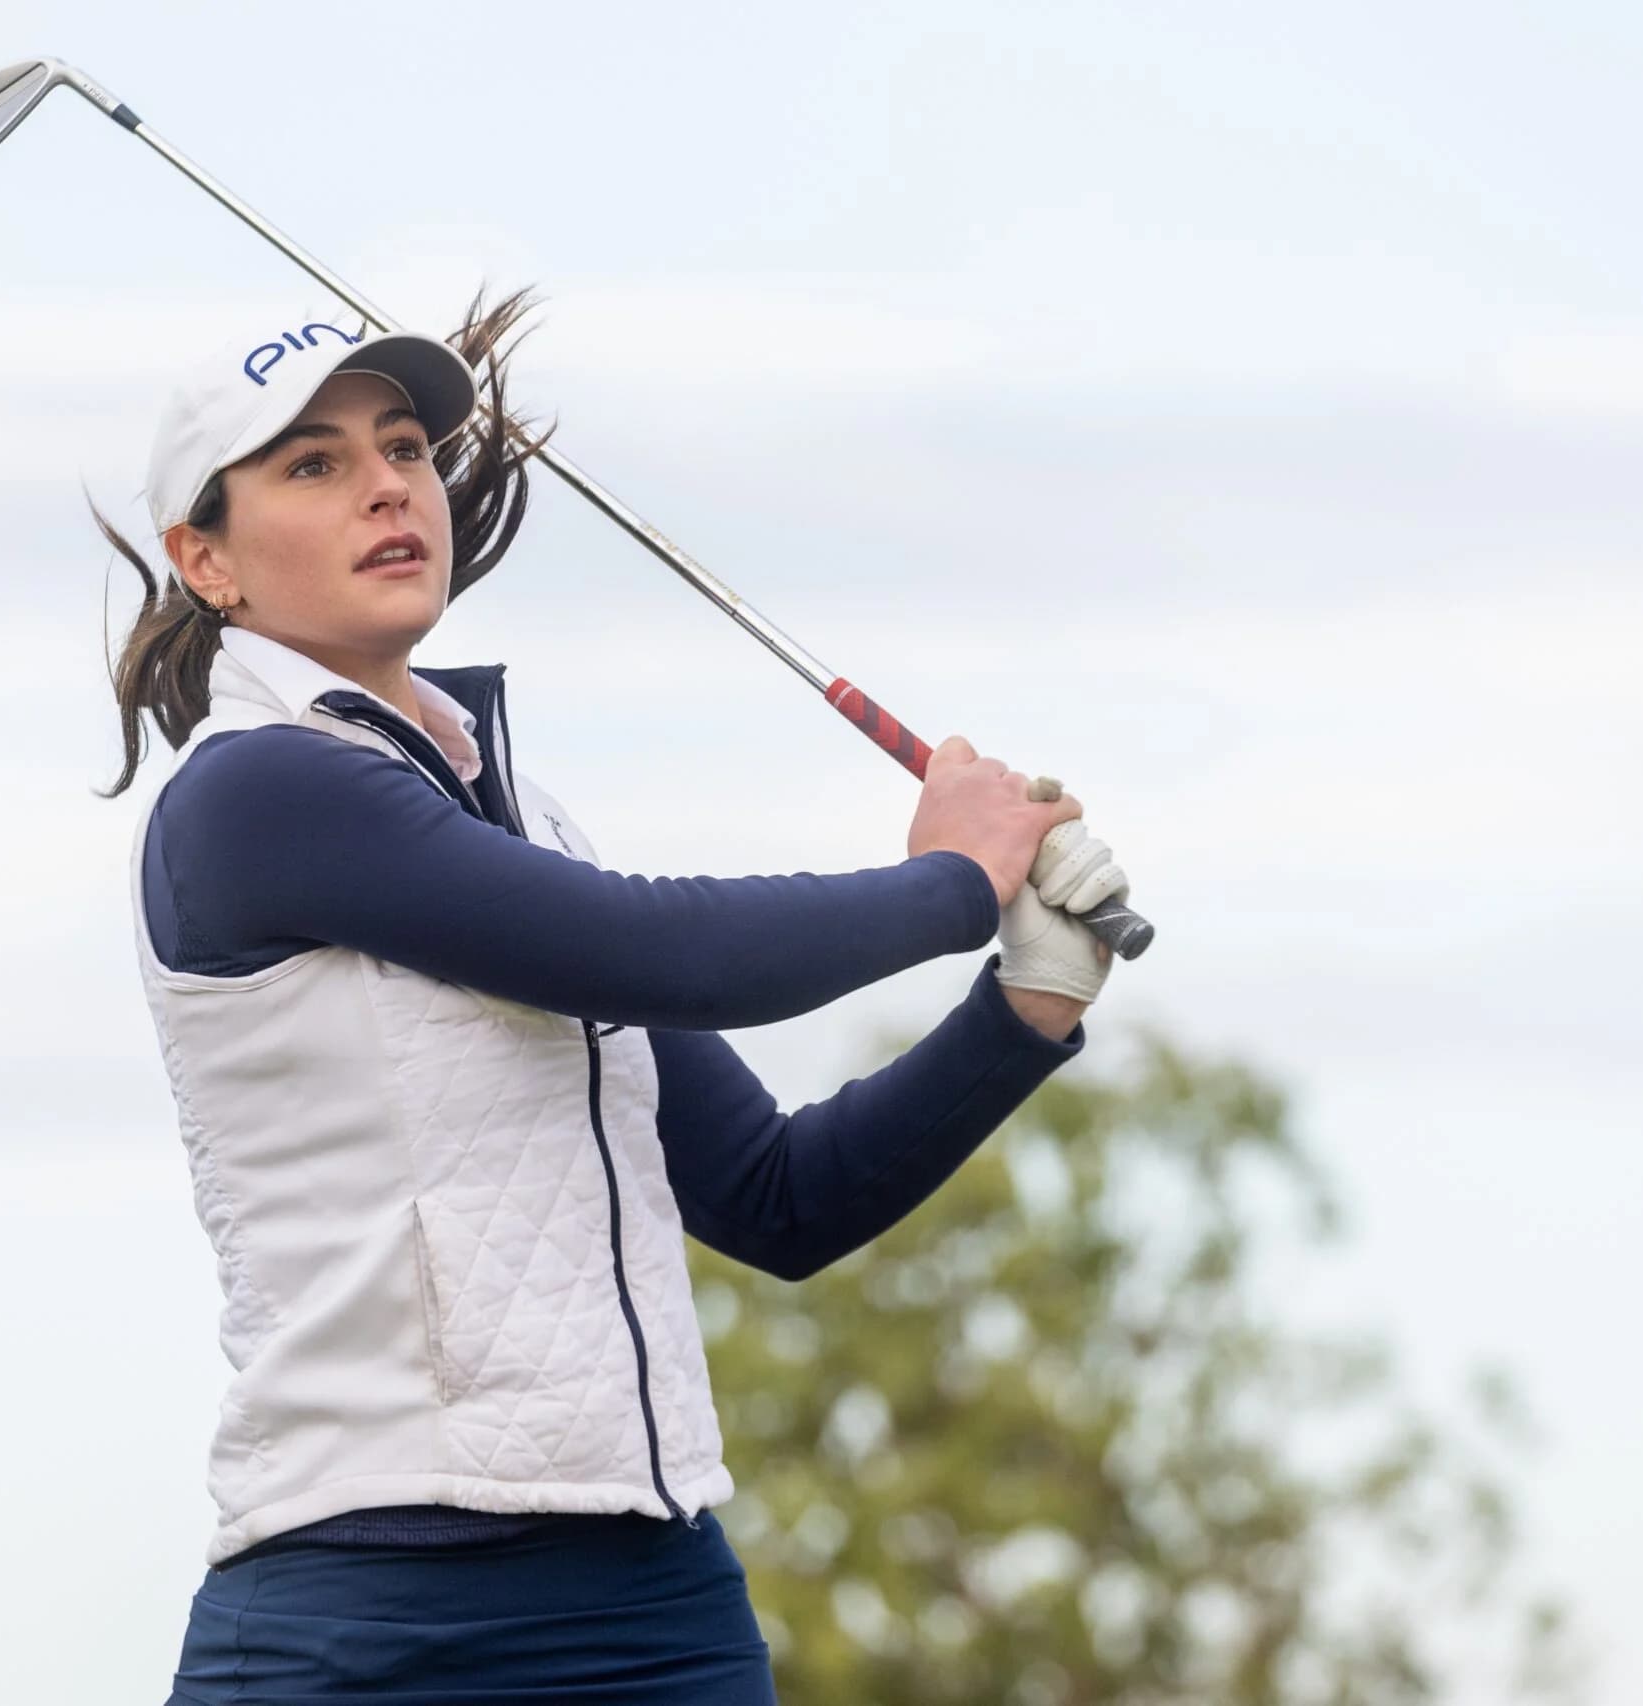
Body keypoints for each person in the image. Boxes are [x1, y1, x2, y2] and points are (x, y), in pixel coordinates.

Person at [93, 291, 1129, 1704]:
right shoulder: (256, 792)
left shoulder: (522, 822)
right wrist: (953, 881)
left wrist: (1026, 1005)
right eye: (313, 463)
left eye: (400, 444)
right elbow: (666, 954)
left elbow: (778, 1195)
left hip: (651, 1604)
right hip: (365, 1609)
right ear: (203, 557)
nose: (389, 483)